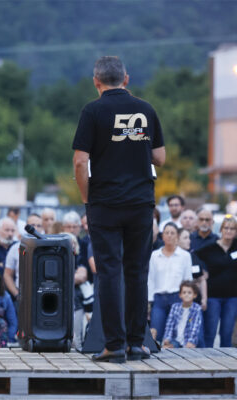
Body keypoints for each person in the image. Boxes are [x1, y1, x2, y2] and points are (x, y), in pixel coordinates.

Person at [73, 55, 165, 363]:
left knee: (109, 272)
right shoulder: (147, 109)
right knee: (137, 272)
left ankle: (114, 345)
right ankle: (136, 344)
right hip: (140, 203)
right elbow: (160, 158)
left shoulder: (92, 111)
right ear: (126, 79)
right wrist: (132, 145)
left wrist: (87, 199)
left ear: (96, 82)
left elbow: (79, 161)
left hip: (105, 203)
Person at [195, 216, 237, 347]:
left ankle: (226, 363)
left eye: (232, 229)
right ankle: (206, 362)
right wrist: (201, 272)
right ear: (221, 230)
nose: (229, 231)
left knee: (227, 333)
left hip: (233, 297)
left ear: (236, 232)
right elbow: (193, 256)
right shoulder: (210, 247)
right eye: (226, 228)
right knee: (210, 332)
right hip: (213, 296)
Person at [148, 223, 193, 343]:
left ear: (177, 236)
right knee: (156, 333)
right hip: (159, 299)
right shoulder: (154, 255)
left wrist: (187, 301)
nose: (169, 235)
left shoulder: (185, 256)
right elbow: (150, 279)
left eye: (172, 233)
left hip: (177, 298)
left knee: (176, 336)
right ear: (162, 236)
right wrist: (149, 301)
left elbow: (188, 280)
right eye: (166, 233)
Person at [162, 280, 203, 349]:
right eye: (184, 292)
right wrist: (167, 338)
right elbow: (170, 325)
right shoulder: (175, 307)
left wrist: (191, 342)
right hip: (175, 340)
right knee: (166, 348)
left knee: (190, 350)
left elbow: (195, 328)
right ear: (180, 295)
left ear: (194, 295)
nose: (186, 294)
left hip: (188, 341)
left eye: (189, 293)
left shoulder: (197, 308)